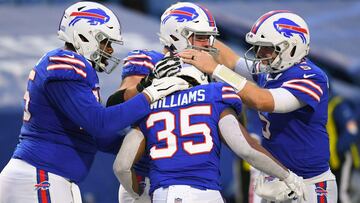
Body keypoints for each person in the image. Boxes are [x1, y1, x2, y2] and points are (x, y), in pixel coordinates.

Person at [0, 2, 189, 203]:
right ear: (84, 35)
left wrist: (149, 148)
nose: (109, 50)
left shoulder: (70, 69)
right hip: (40, 176)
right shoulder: (66, 64)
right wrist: (151, 94)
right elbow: (100, 124)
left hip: (47, 176)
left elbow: (98, 137)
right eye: (105, 42)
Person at [177, 10, 338, 202]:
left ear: (292, 48)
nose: (260, 54)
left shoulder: (310, 76)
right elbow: (233, 61)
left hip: (309, 182)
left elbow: (263, 100)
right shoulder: (271, 70)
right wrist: (204, 37)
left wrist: (215, 69)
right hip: (277, 178)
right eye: (258, 47)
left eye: (267, 48)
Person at [113, 63, 308, 203]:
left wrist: (139, 195)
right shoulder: (214, 95)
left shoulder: (151, 107)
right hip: (204, 193)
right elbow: (246, 149)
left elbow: (121, 166)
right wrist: (288, 176)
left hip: (162, 194)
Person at [106, 2, 221, 202]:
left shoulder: (208, 71)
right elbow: (114, 107)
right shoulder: (148, 62)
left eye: (208, 38)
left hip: (190, 177)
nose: (207, 44)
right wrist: (149, 83)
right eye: (201, 37)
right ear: (177, 34)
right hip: (145, 177)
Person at [327, 87, 360, 203]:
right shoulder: (323, 105)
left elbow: (352, 130)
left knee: (342, 194)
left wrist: (339, 149)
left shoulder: (337, 104)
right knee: (332, 195)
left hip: (344, 157)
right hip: (330, 159)